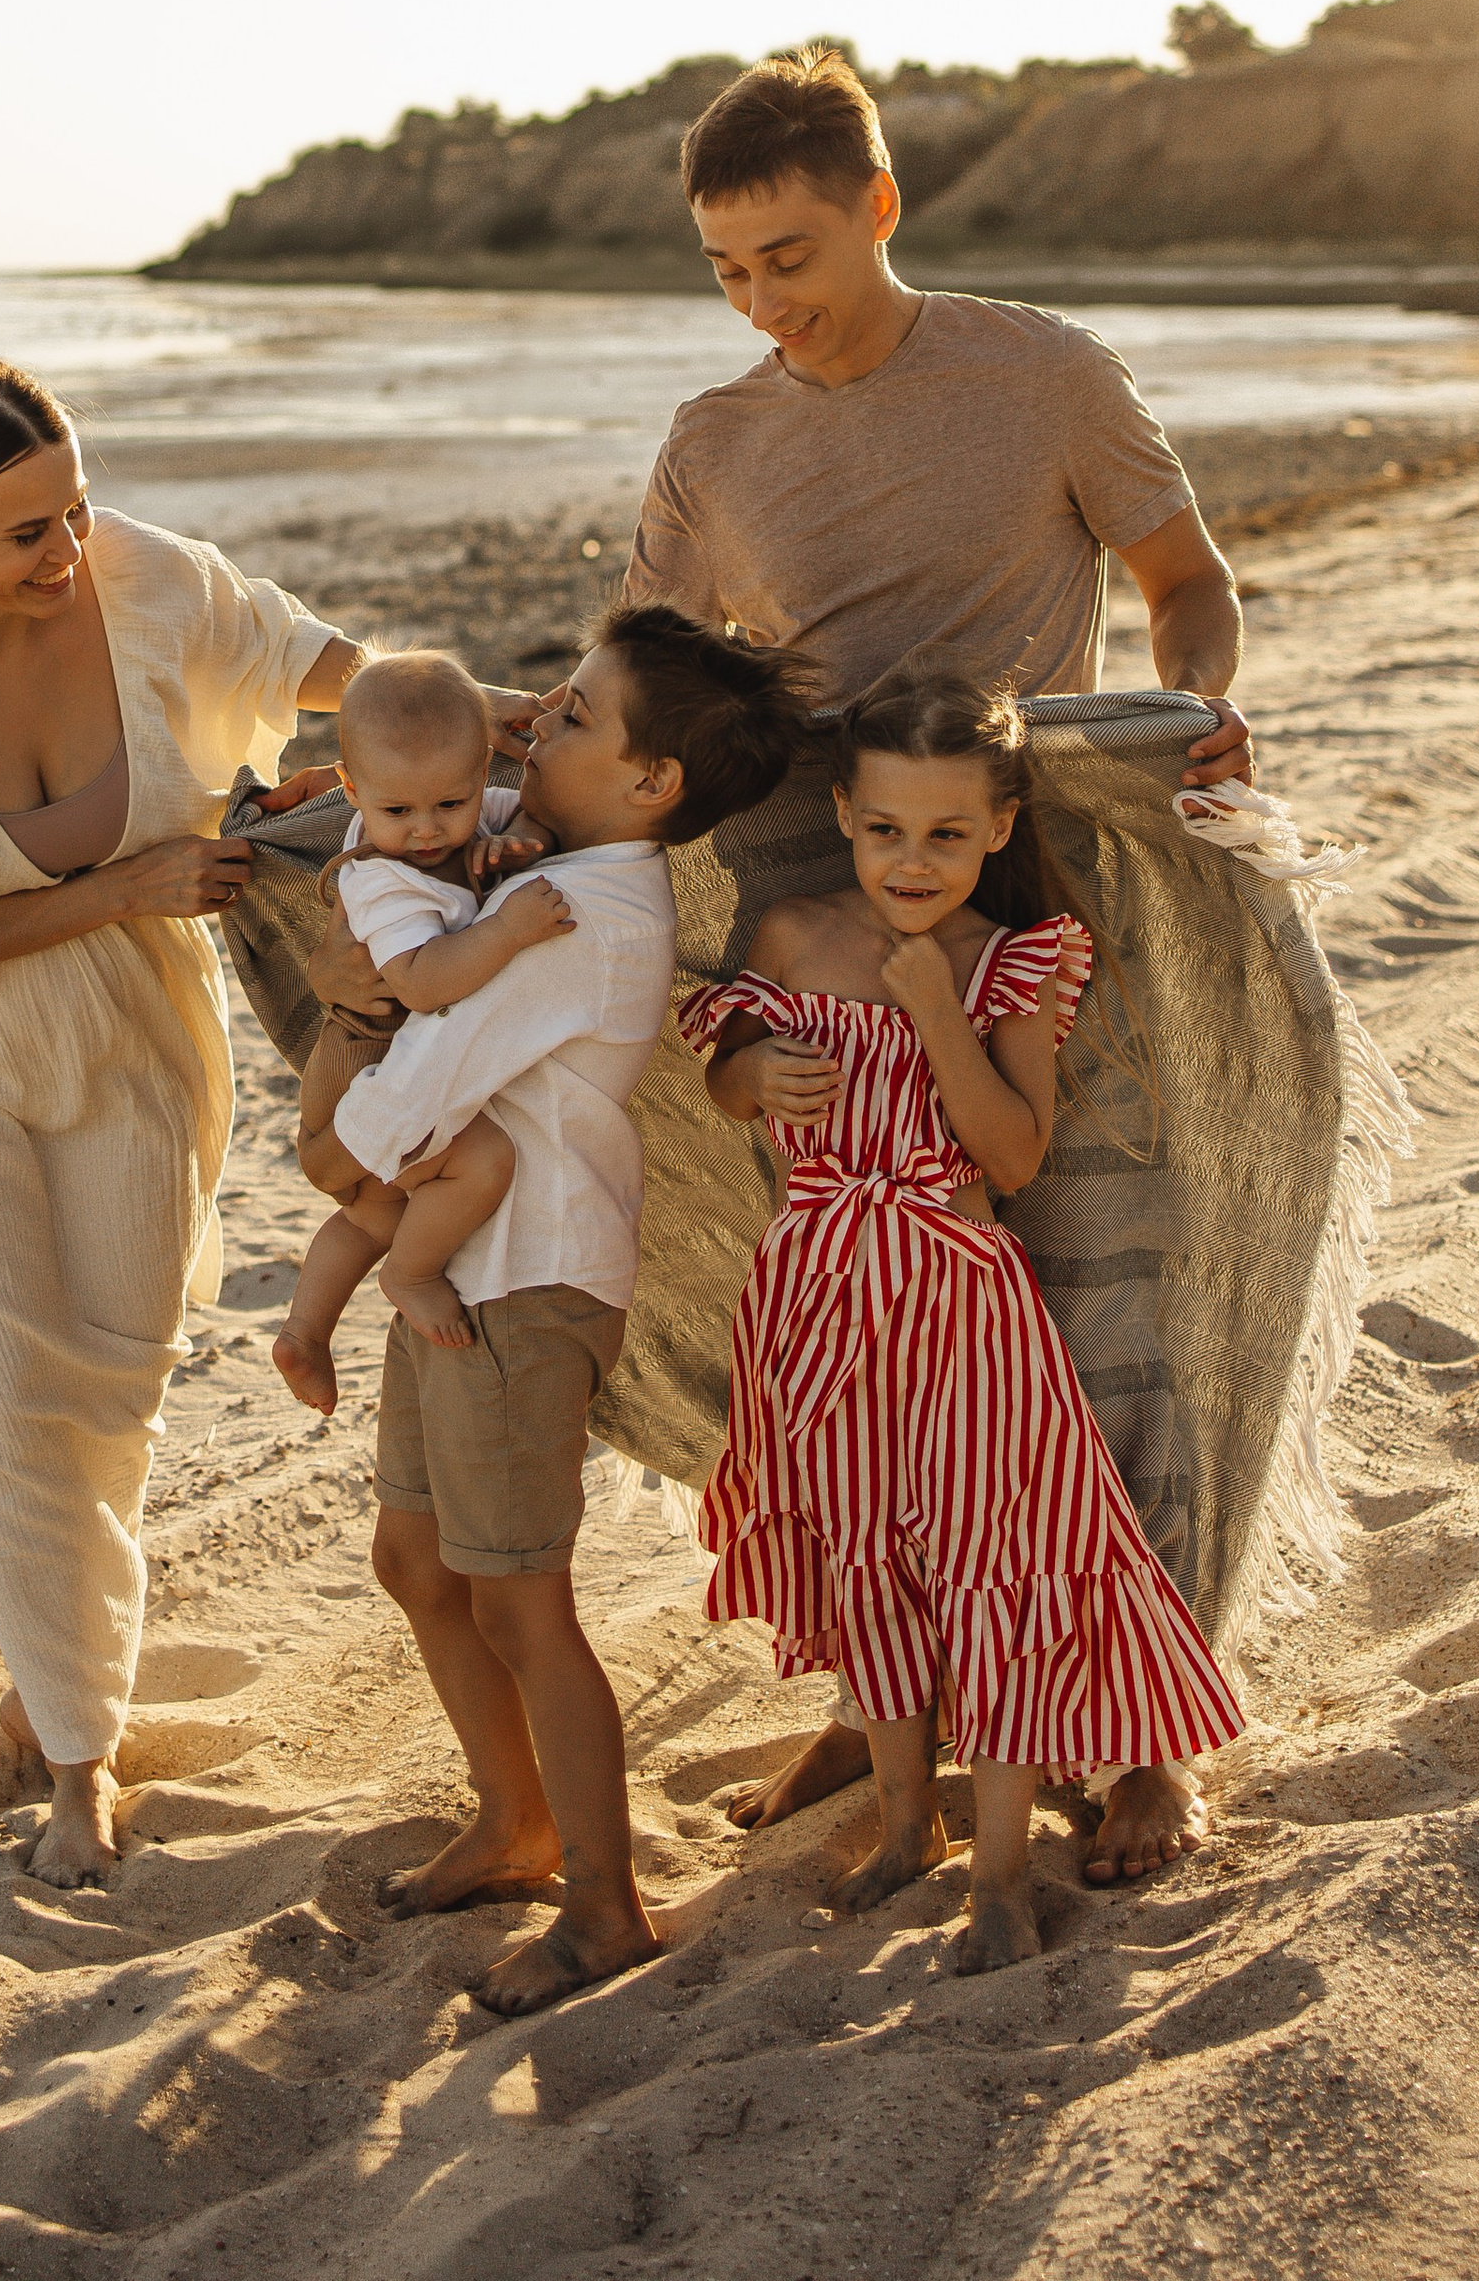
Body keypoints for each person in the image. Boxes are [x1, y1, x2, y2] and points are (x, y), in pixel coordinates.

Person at [625, 41, 1257, 1882]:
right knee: (849, 1339)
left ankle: (1140, 1734)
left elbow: (1183, 572)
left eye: (793, 258)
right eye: (729, 270)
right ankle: (881, 1686)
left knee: (1098, 1308)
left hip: (1014, 892)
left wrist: (1197, 705)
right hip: (799, 925)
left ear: (882, 207)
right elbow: (667, 682)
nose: (764, 304)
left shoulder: (1043, 373)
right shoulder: (713, 440)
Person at [0, 354, 533, 1889]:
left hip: (138, 1041)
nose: (68, 552)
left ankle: (41, 1672)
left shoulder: (137, 576)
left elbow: (310, 656)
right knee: (7, 1396)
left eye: (72, 507)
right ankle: (79, 1759)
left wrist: (503, 715)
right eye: (24, 534)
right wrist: (121, 888)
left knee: (113, 1391)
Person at [682, 669, 1243, 1970]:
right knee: (870, 1557)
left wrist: (939, 1011)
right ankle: (903, 1826)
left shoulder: (1016, 958)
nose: (911, 859)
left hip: (962, 1302)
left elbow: (1017, 1150)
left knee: (993, 1568)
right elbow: (720, 1083)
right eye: (884, 830)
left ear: (998, 829)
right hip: (818, 1296)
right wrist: (749, 1073)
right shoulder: (789, 932)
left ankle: (997, 1873)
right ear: (843, 815)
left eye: (946, 833)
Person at [333, 604, 809, 2017]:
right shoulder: (555, 857)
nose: (543, 718)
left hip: (525, 1276)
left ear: (653, 786)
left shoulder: (592, 915)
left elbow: (424, 1083)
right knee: (418, 1567)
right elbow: (419, 808)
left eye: (582, 717)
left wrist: (340, 1152)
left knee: (522, 1599)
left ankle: (603, 1903)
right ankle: (515, 1821)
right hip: (466, 1263)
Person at [272, 651, 570, 1412]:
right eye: (397, 812)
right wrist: (506, 931)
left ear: (483, 775)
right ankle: (411, 1275)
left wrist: (528, 835)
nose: (428, 831)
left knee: (370, 1211)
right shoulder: (383, 875)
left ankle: (304, 1331)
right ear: (350, 790)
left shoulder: (456, 812)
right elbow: (419, 982)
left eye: (452, 803)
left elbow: (528, 821)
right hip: (361, 1067)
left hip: (371, 1072)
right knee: (483, 1162)